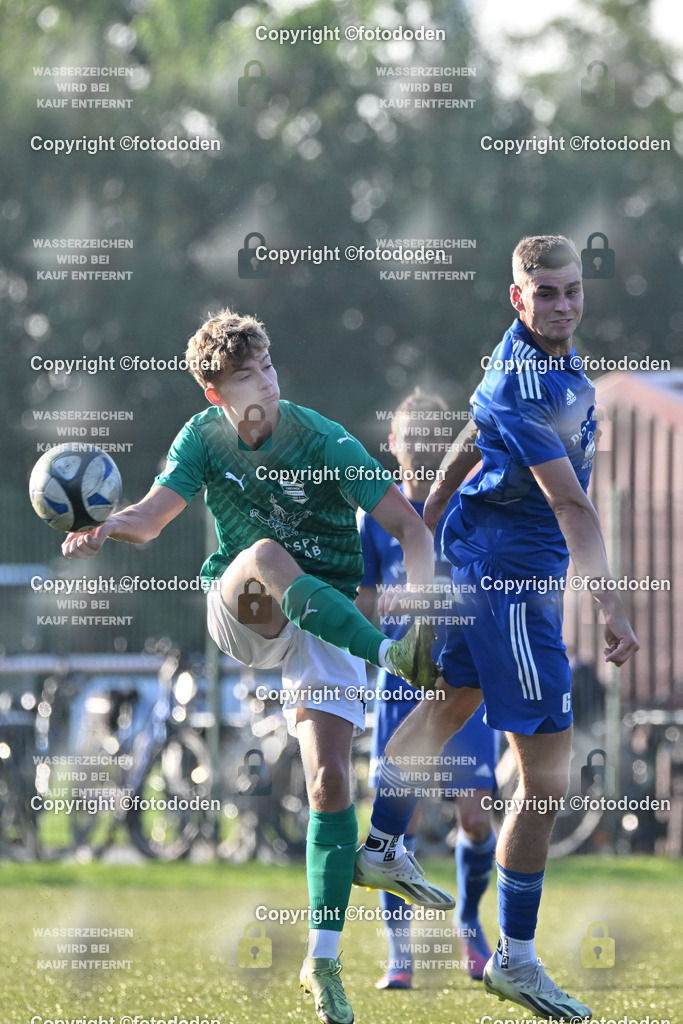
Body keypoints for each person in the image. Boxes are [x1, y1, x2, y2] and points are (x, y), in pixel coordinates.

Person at [61, 307, 444, 1024]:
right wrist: (109, 525)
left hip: (323, 617)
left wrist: (420, 603)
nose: (262, 384)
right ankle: (393, 656)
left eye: (265, 367)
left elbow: (408, 528)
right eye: (243, 377)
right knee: (266, 557)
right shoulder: (201, 439)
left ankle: (322, 963)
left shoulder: (322, 438)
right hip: (245, 608)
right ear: (216, 394)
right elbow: (150, 517)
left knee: (330, 782)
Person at [354, 235, 639, 1021]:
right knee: (546, 773)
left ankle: (379, 847)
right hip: (510, 586)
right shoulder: (529, 382)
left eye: (571, 290)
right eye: (543, 292)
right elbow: (572, 507)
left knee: (449, 702)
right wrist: (611, 606)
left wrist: (430, 513)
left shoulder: (514, 357)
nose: (561, 304)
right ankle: (514, 957)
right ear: (517, 298)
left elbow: (468, 438)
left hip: (472, 560)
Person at [356, 388, 498, 988]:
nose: (421, 450)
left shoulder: (465, 508)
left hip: (461, 682)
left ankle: (468, 922)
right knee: (401, 825)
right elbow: (361, 596)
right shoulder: (378, 518)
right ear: (394, 446)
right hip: (399, 687)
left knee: (474, 817)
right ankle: (400, 953)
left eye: (432, 442)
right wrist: (383, 612)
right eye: (411, 441)